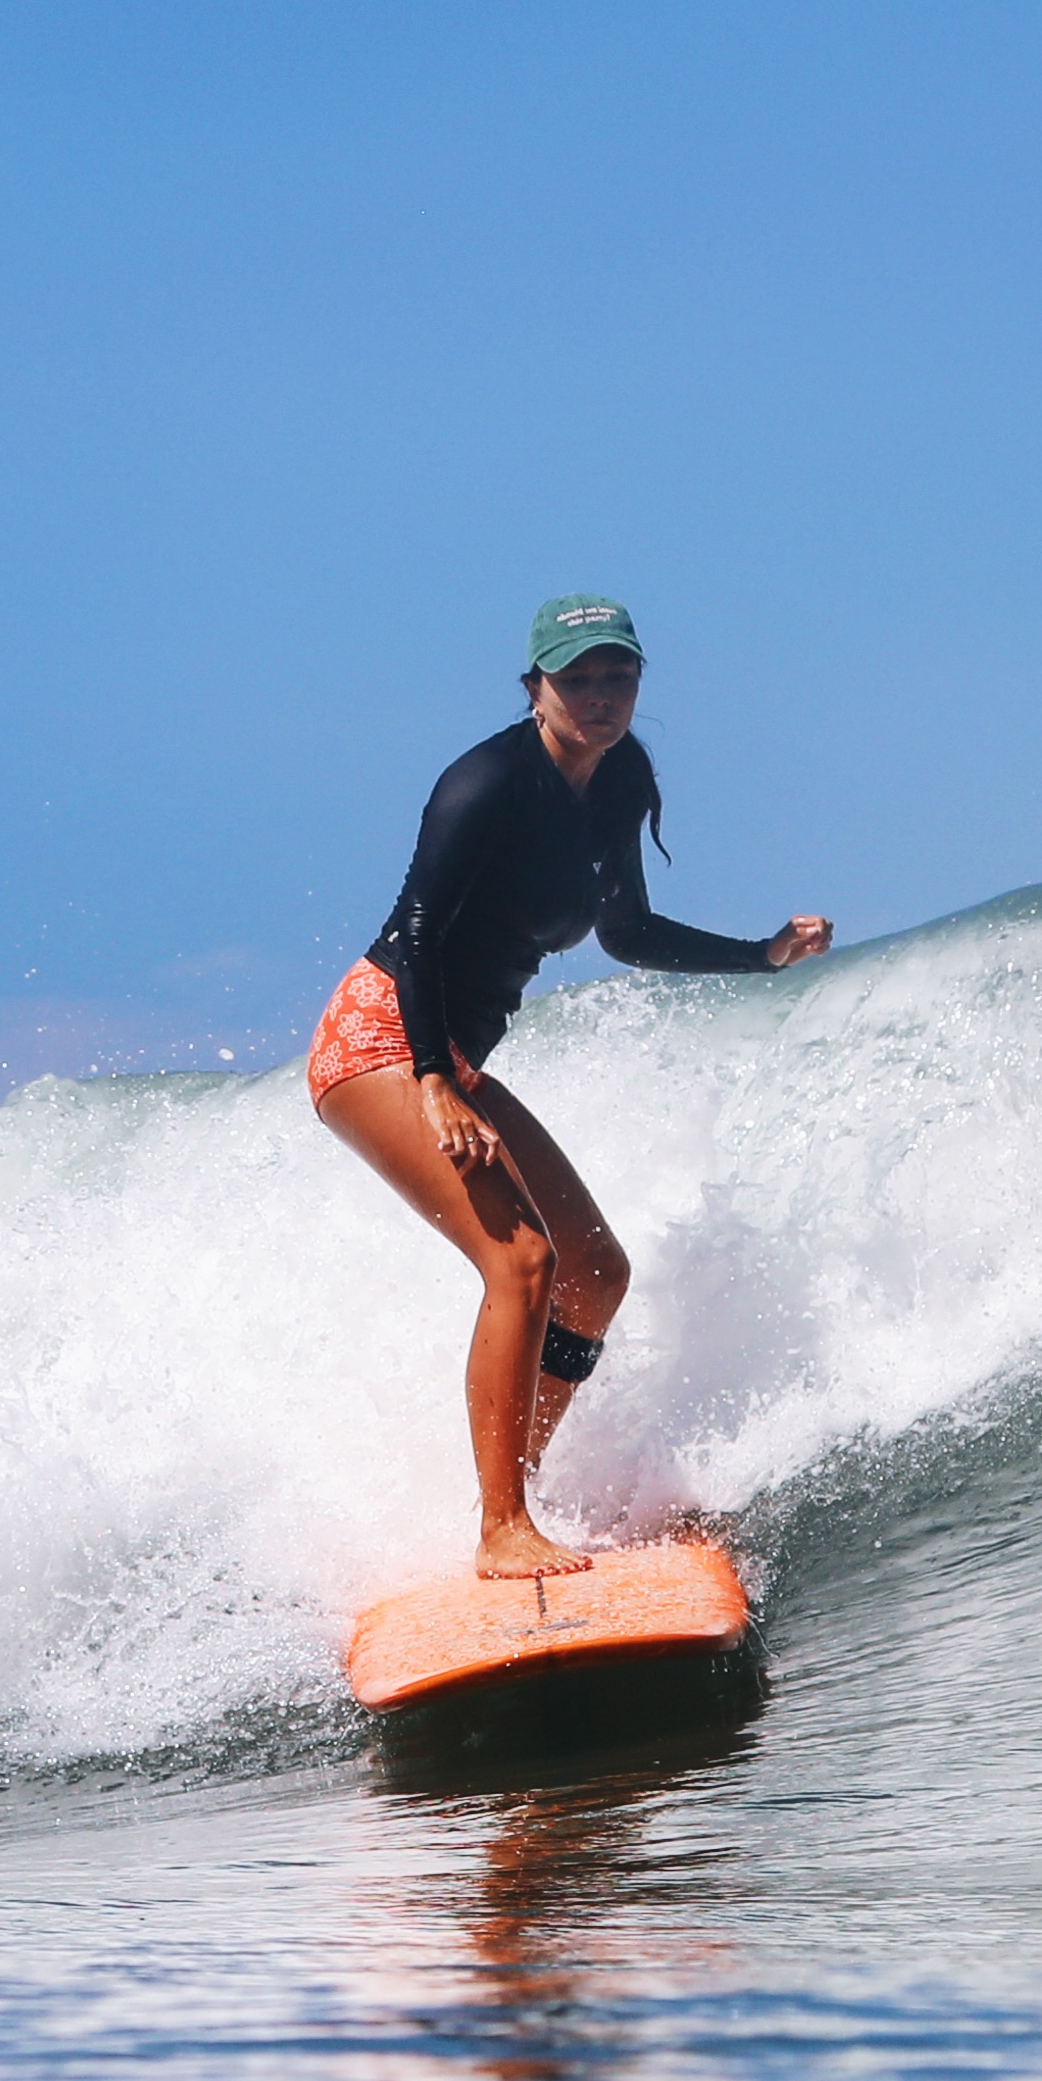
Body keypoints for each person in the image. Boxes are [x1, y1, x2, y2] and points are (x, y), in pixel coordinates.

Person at [310, 594, 831, 1580]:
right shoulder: (484, 783)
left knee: (593, 1276)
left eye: (617, 676)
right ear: (534, 687)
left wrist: (761, 958)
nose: (600, 696)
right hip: (382, 1037)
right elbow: (416, 929)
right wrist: (430, 1080)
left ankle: (520, 1491)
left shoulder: (622, 776)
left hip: (450, 1060)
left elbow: (626, 932)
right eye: (576, 677)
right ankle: (500, 1528)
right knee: (520, 1262)